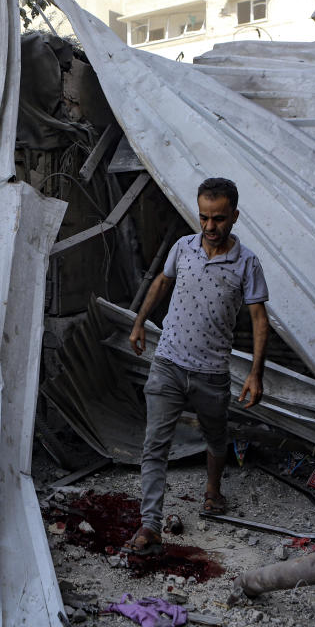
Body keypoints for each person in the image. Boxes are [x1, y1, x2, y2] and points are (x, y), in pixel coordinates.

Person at [121, 177, 269, 556]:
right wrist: (139, 322)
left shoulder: (247, 263)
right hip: (169, 362)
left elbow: (257, 318)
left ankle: (213, 491)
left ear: (234, 216)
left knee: (216, 437)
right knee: (155, 445)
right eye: (203, 217)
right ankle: (151, 524)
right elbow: (162, 282)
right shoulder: (183, 247)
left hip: (211, 372)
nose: (209, 227)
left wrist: (255, 372)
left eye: (218, 219)